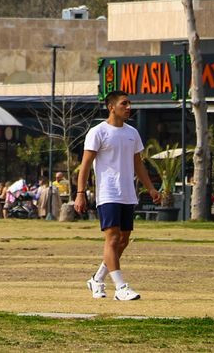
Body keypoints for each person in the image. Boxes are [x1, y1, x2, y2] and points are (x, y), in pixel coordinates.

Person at [75, 91, 160, 302]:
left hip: (127, 193)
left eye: (129, 103)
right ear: (111, 107)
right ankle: (121, 287)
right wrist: (80, 193)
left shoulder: (132, 133)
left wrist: (150, 188)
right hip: (108, 193)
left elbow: (138, 164)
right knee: (112, 238)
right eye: (124, 103)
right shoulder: (98, 132)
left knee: (123, 240)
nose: (129, 107)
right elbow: (85, 165)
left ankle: (97, 278)